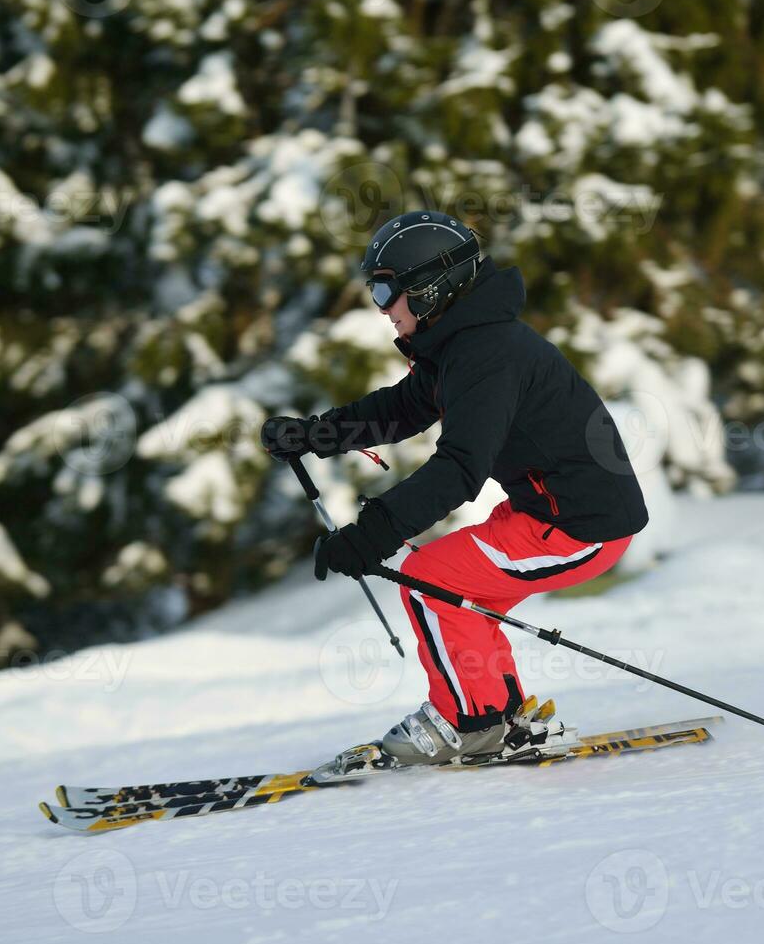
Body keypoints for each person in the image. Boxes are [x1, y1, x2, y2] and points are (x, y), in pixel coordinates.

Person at [261, 210, 647, 765]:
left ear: (427, 289)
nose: (382, 308)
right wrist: (315, 434)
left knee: (428, 578)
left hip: (579, 528)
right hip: (550, 515)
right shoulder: (464, 344)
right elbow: (404, 407)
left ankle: (471, 722)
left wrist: (375, 533)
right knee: (460, 595)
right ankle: (498, 713)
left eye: (385, 290)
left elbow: (460, 468)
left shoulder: (487, 355)